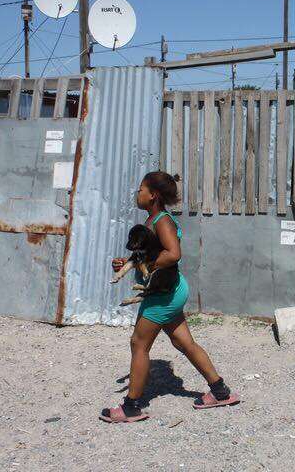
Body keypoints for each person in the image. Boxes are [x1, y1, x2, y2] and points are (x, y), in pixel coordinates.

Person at [101, 171, 238, 423]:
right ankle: (220, 391)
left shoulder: (161, 221)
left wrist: (147, 262)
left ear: (153, 195)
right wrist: (128, 262)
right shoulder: (153, 219)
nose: (137, 193)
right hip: (170, 290)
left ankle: (131, 407)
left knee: (139, 344)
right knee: (183, 343)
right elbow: (149, 255)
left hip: (162, 295)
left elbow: (173, 254)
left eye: (141, 189)